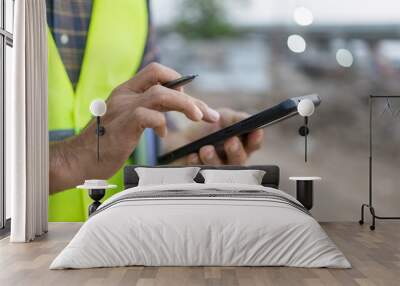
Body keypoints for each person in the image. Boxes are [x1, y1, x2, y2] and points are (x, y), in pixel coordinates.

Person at [47, 0, 264, 221]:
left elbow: (143, 120)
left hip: (118, 234)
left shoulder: (136, 4)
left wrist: (181, 146)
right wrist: (71, 159)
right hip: (28, 241)